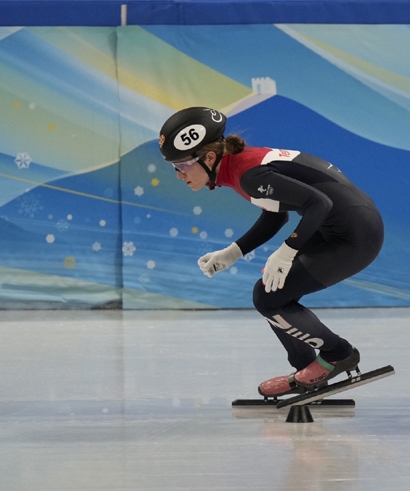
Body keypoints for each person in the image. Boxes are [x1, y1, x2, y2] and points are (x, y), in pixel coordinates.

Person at [158, 107, 384, 398]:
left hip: (355, 235)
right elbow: (276, 214)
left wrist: (287, 251)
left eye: (181, 166)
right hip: (343, 226)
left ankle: (338, 354)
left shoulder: (248, 175)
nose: (178, 175)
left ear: (209, 158)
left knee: (268, 297)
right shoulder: (239, 166)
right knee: (271, 291)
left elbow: (319, 203)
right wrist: (232, 252)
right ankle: (309, 371)